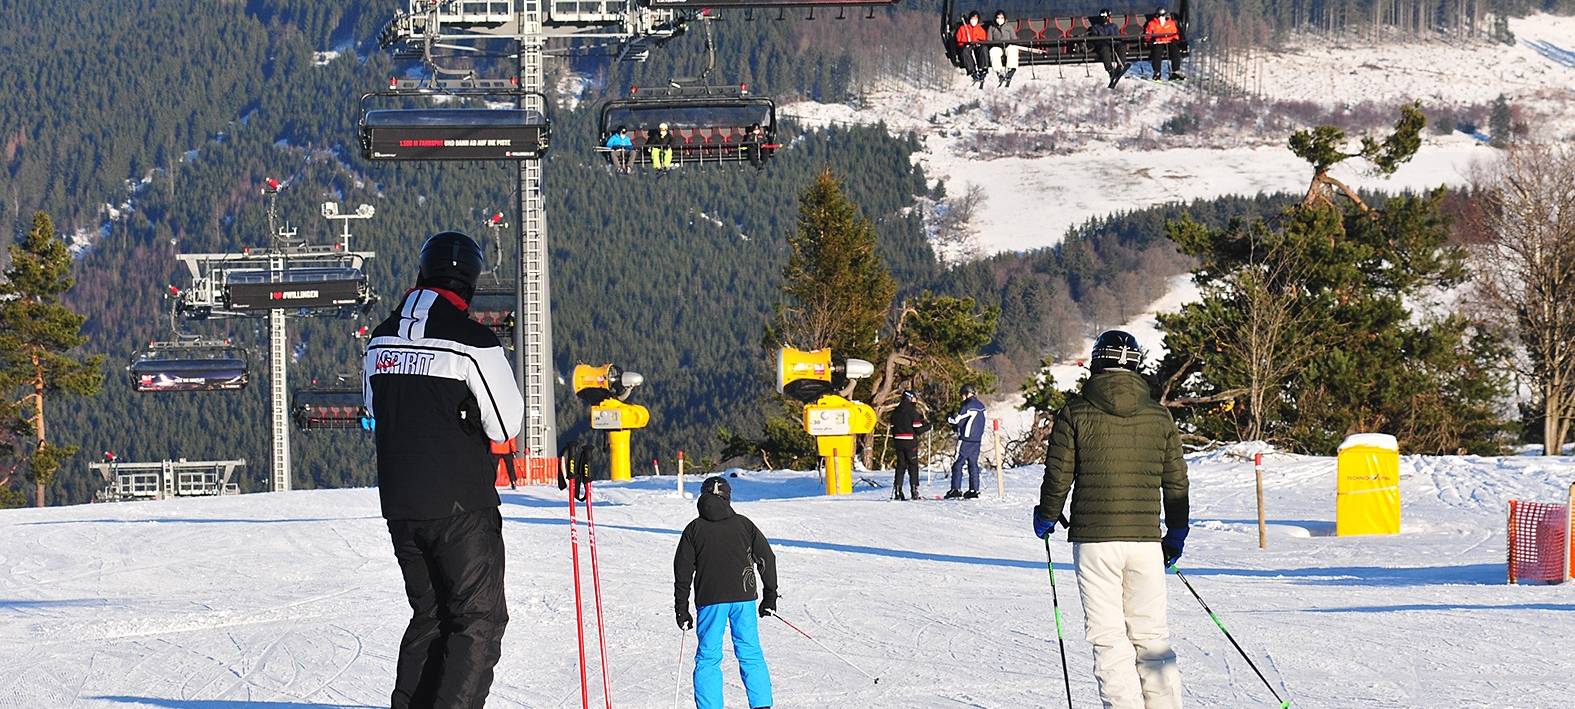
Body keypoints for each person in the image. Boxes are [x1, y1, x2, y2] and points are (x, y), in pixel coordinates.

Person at [363, 231, 525, 709]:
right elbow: (506, 422)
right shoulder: (472, 342)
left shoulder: (379, 340)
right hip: (461, 504)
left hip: (400, 504)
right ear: (470, 282)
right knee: (477, 620)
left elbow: (373, 409)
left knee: (430, 616)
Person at [1032, 330, 1189, 709]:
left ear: (1097, 364)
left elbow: (1058, 475)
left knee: (1108, 637)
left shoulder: (1075, 412)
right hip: (1145, 542)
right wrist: (1177, 532)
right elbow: (1176, 481)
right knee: (1151, 634)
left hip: (1095, 542)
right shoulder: (1159, 416)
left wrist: (1047, 515)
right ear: (1136, 365)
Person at [675, 476, 777, 709]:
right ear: (728, 497)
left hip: (710, 600)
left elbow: (682, 572)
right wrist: (769, 595)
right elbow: (766, 558)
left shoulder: (694, 529)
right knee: (750, 651)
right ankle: (761, 705)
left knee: (709, 658)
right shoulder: (744, 524)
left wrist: (681, 609)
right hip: (744, 597)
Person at [945, 383, 986, 499]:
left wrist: (949, 418)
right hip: (977, 440)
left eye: (962, 395)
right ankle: (974, 489)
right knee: (973, 464)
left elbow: (957, 420)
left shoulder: (967, 405)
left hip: (965, 439)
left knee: (958, 464)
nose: (962, 398)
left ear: (967, 394)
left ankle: (955, 489)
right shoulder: (981, 406)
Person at [890, 389, 929, 500]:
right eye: (914, 398)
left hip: (898, 442)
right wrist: (927, 426)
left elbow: (893, 428)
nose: (915, 400)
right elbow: (918, 429)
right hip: (910, 442)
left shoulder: (896, 411)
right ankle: (914, 491)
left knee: (901, 466)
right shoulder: (912, 411)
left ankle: (898, 490)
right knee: (913, 466)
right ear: (910, 398)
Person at [1090, 8, 1128, 89]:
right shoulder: (1096, 27)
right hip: (1103, 44)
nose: (1105, 19)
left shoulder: (1113, 26)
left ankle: (1120, 66)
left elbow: (1117, 36)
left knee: (1121, 46)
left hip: (1113, 43)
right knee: (1104, 49)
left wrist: (1116, 41)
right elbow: (1095, 38)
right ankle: (1110, 70)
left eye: (1106, 17)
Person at [1144, 6, 1184, 81]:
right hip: (1159, 41)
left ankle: (1176, 71)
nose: (1161, 17)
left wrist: (1176, 39)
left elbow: (1175, 33)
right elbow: (1148, 34)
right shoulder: (1152, 23)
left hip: (1169, 40)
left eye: (1163, 15)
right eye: (1159, 15)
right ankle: (1157, 72)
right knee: (1157, 52)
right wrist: (1149, 40)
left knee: (1175, 50)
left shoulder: (1170, 23)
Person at [987, 10, 1021, 88]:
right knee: (993, 51)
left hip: (1008, 46)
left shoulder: (1009, 27)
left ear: (1005, 18)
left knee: (1012, 49)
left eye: (1001, 18)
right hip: (997, 46)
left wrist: (1011, 42)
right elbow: (989, 40)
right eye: (998, 18)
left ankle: (1011, 70)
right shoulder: (992, 28)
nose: (999, 19)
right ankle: (999, 72)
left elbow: (1014, 38)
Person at [955, 11, 989, 88]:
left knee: (983, 49)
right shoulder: (963, 28)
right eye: (972, 18)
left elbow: (983, 39)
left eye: (975, 19)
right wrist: (965, 43)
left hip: (977, 45)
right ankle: (972, 71)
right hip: (967, 45)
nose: (974, 20)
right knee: (965, 51)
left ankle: (983, 68)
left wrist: (979, 43)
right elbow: (959, 40)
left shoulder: (980, 29)